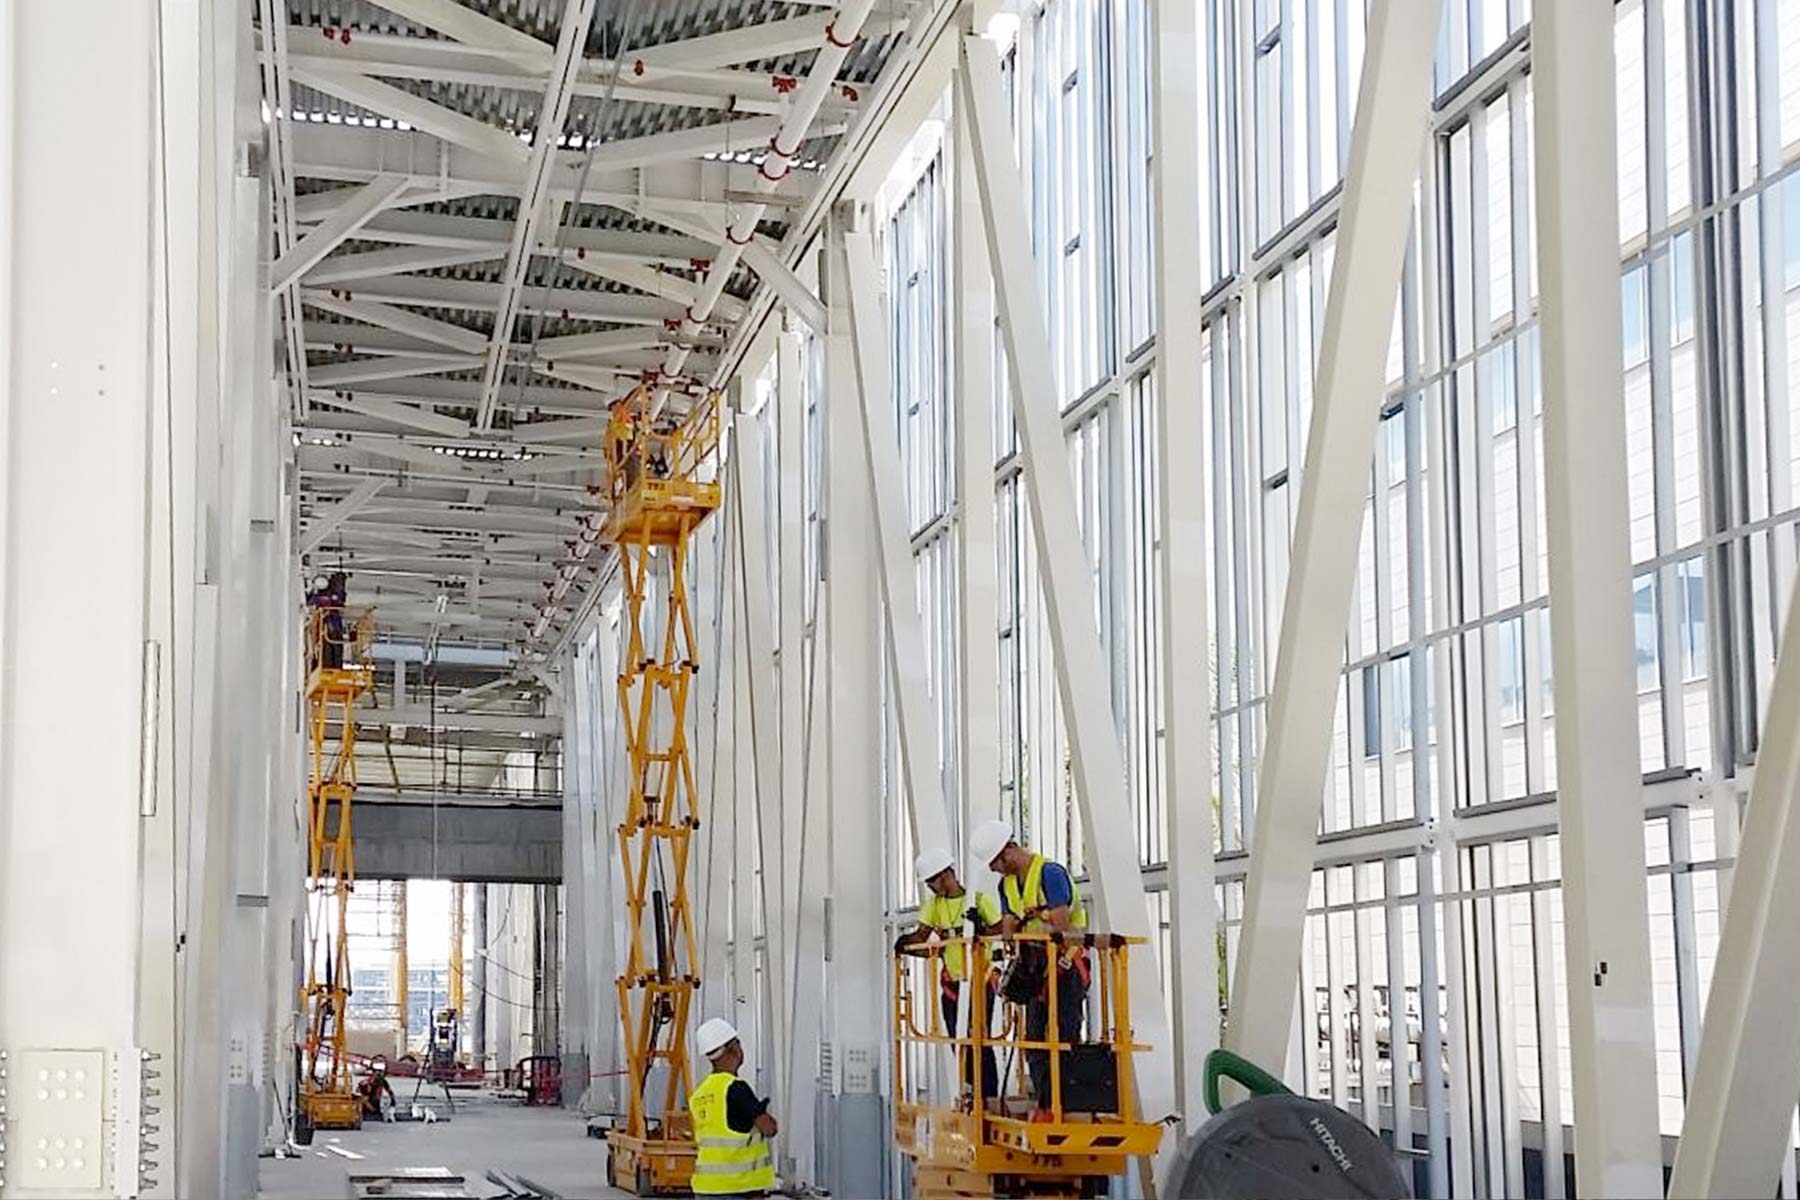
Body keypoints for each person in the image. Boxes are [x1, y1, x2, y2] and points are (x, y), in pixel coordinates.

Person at [969, 819, 1090, 1118]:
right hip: (1035, 967)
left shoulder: (1050, 873)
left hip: (1065, 964)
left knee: (1063, 1035)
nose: (995, 870)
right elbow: (1009, 927)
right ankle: (1046, 1103)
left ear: (1008, 852)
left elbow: (1061, 922)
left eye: (995, 863)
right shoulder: (1006, 885)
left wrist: (1035, 915)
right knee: (1034, 1038)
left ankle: (1065, 1103)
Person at [894, 847, 1001, 1104]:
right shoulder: (935, 906)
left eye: (932, 881)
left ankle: (989, 1097)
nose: (930, 887)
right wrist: (904, 944)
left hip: (979, 980)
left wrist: (980, 929)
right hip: (952, 984)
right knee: (958, 1041)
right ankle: (970, 1091)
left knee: (980, 1040)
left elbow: (999, 933)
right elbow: (922, 938)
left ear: (945, 874)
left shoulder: (977, 900)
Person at [689, 1018, 777, 1197]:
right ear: (733, 1049)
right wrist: (763, 1113)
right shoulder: (736, 1089)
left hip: (705, 1188)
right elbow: (769, 1129)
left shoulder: (699, 1094)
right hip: (736, 1188)